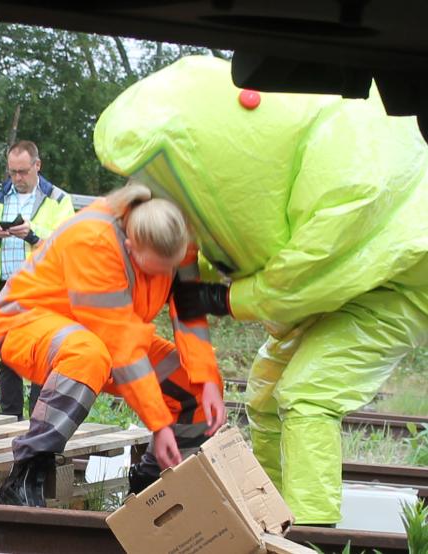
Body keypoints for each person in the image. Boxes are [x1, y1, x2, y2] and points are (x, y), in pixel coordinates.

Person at [93, 56, 428, 525]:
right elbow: (248, 236)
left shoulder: (352, 171)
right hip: (345, 290)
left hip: (396, 283)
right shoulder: (286, 151)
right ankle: (271, 516)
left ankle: (311, 531)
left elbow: (310, 274)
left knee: (310, 392)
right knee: (265, 393)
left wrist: (224, 299)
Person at [0, 183, 226, 507]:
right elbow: (123, 349)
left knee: (194, 387)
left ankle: (151, 489)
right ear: (130, 247)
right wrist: (159, 422)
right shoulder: (94, 241)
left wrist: (208, 379)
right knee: (87, 353)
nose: (166, 276)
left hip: (106, 336)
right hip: (25, 322)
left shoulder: (172, 235)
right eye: (155, 270)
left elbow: (188, 312)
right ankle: (25, 478)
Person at [0, 140, 75, 420]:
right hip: (4, 291)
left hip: (43, 291)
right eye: (12, 172)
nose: (17, 178)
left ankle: (39, 421)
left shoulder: (59, 200)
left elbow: (68, 245)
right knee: (9, 359)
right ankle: (10, 420)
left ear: (37, 166)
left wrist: (32, 233)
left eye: (23, 172)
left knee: (42, 356)